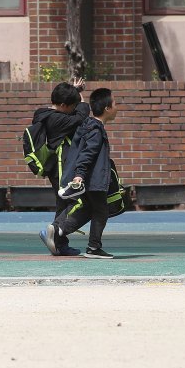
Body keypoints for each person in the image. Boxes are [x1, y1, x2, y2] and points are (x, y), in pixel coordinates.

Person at [44, 88, 118, 260]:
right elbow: (87, 154)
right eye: (115, 104)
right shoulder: (96, 129)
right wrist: (79, 175)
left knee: (87, 209)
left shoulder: (87, 125)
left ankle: (59, 229)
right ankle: (93, 247)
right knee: (101, 211)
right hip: (94, 180)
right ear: (107, 108)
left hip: (89, 179)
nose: (117, 107)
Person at [34, 78, 89, 257]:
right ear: (64, 105)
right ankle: (55, 230)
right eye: (71, 105)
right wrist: (80, 97)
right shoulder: (56, 119)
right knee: (77, 201)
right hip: (62, 166)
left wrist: (74, 90)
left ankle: (59, 243)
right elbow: (81, 115)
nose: (74, 108)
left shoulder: (47, 114)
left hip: (57, 166)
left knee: (63, 202)